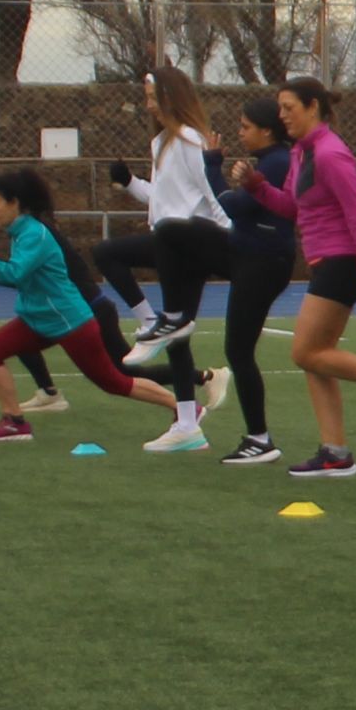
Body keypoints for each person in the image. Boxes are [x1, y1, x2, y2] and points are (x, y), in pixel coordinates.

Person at [0, 168, 193, 445]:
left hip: (70, 321)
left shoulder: (34, 234)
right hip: (41, 319)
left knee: (114, 382)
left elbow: (15, 274)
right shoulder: (20, 231)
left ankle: (183, 408)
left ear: (14, 203)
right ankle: (14, 422)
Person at [90, 67, 238, 456]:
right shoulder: (161, 143)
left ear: (171, 97)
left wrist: (233, 239)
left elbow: (211, 193)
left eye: (152, 96)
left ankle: (150, 323)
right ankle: (187, 426)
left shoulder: (190, 140)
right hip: (167, 243)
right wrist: (129, 183)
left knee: (108, 253)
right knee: (178, 336)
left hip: (189, 245)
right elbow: (161, 197)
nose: (147, 104)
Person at [265, 75, 356, 479]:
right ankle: (335, 452)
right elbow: (291, 207)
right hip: (323, 260)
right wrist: (254, 187)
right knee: (316, 358)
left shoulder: (330, 153)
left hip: (342, 260)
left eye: (289, 107)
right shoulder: (301, 152)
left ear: (313, 107)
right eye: (280, 108)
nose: (282, 115)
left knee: (305, 352)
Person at [191, 99, 306, 464]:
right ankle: (174, 314)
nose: (240, 133)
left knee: (238, 351)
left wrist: (212, 165)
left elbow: (234, 206)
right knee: (183, 236)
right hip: (249, 255)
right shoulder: (272, 160)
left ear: (266, 131)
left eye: (245, 127)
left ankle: (260, 438)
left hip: (262, 262)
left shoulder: (276, 162)